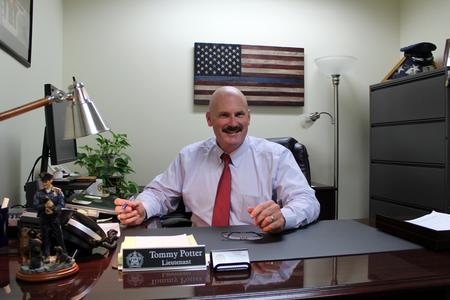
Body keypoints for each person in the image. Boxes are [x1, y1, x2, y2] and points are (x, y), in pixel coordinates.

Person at [115, 86, 320, 233]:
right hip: (201, 250)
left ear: (248, 117)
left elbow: (307, 201)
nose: (233, 123)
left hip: (259, 248)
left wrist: (284, 216)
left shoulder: (276, 156)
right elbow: (158, 193)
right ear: (209, 119)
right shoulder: (189, 157)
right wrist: (142, 208)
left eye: (239, 114)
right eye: (224, 115)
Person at [33, 173, 67, 260]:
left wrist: (53, 208)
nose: (44, 184)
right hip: (44, 218)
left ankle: (64, 255)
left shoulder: (58, 191)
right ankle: (46, 256)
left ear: (51, 180)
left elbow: (62, 204)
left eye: (46, 181)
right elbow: (35, 205)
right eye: (43, 182)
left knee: (59, 237)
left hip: (54, 218)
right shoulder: (39, 193)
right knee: (45, 237)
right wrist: (45, 205)